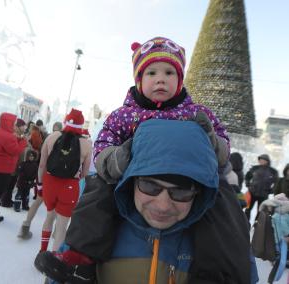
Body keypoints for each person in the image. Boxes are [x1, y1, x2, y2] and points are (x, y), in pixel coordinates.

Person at [34, 36, 230, 282]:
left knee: (222, 205)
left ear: (180, 80)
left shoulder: (196, 113)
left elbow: (224, 144)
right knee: (98, 194)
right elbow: (105, 141)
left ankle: (225, 271)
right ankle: (80, 252)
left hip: (190, 181)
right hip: (131, 178)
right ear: (139, 80)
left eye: (169, 72)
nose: (161, 78)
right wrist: (112, 159)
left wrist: (213, 143)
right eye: (151, 73)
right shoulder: (125, 115)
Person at [38, 120, 257, 284]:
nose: (162, 205)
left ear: (200, 193)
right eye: (150, 187)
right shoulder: (94, 227)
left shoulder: (225, 243)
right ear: (131, 181)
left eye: (180, 192)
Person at [37, 108, 92, 252]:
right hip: (69, 186)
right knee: (61, 227)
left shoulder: (52, 136)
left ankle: (42, 251)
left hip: (50, 182)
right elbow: (85, 174)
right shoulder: (86, 144)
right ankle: (52, 260)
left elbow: (42, 164)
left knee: (49, 218)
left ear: (66, 121)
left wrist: (40, 185)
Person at [18, 121, 63, 239]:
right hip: (58, 179)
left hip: (44, 176)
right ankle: (55, 232)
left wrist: (39, 182)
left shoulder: (48, 139)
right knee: (56, 206)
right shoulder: (67, 140)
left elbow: (42, 164)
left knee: (38, 201)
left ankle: (25, 226)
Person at [0, 112, 27, 216]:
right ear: (9, 123)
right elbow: (15, 150)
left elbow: (9, 145)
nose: (15, 125)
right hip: (0, 169)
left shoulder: (1, 132)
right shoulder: (7, 135)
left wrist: (18, 140)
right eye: (14, 122)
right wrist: (24, 142)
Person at [244, 154, 278, 221]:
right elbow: (247, 177)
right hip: (252, 193)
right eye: (260, 160)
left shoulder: (273, 171)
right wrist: (248, 184)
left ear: (267, 161)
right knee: (247, 209)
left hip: (263, 195)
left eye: (263, 160)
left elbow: (277, 183)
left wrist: (271, 190)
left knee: (261, 212)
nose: (261, 161)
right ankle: (245, 223)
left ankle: (256, 227)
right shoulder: (254, 168)